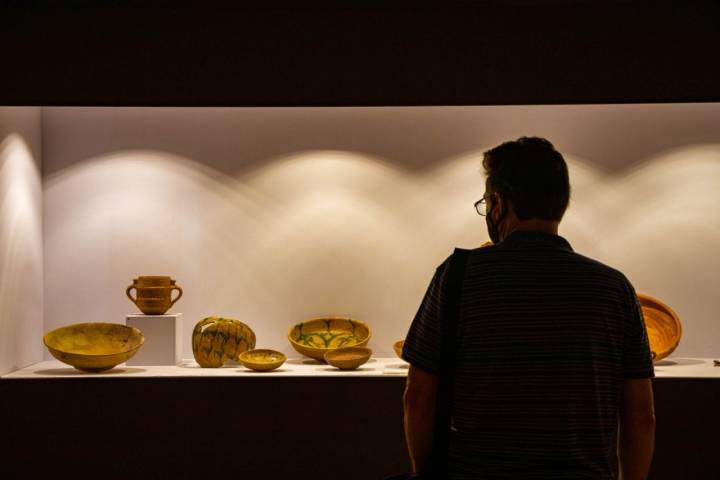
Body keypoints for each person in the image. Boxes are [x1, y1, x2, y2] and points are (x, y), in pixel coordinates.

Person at [401, 137, 655, 479]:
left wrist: (422, 473)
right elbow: (641, 415)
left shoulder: (458, 275)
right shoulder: (614, 288)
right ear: (560, 204)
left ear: (498, 203)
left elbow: (418, 396)